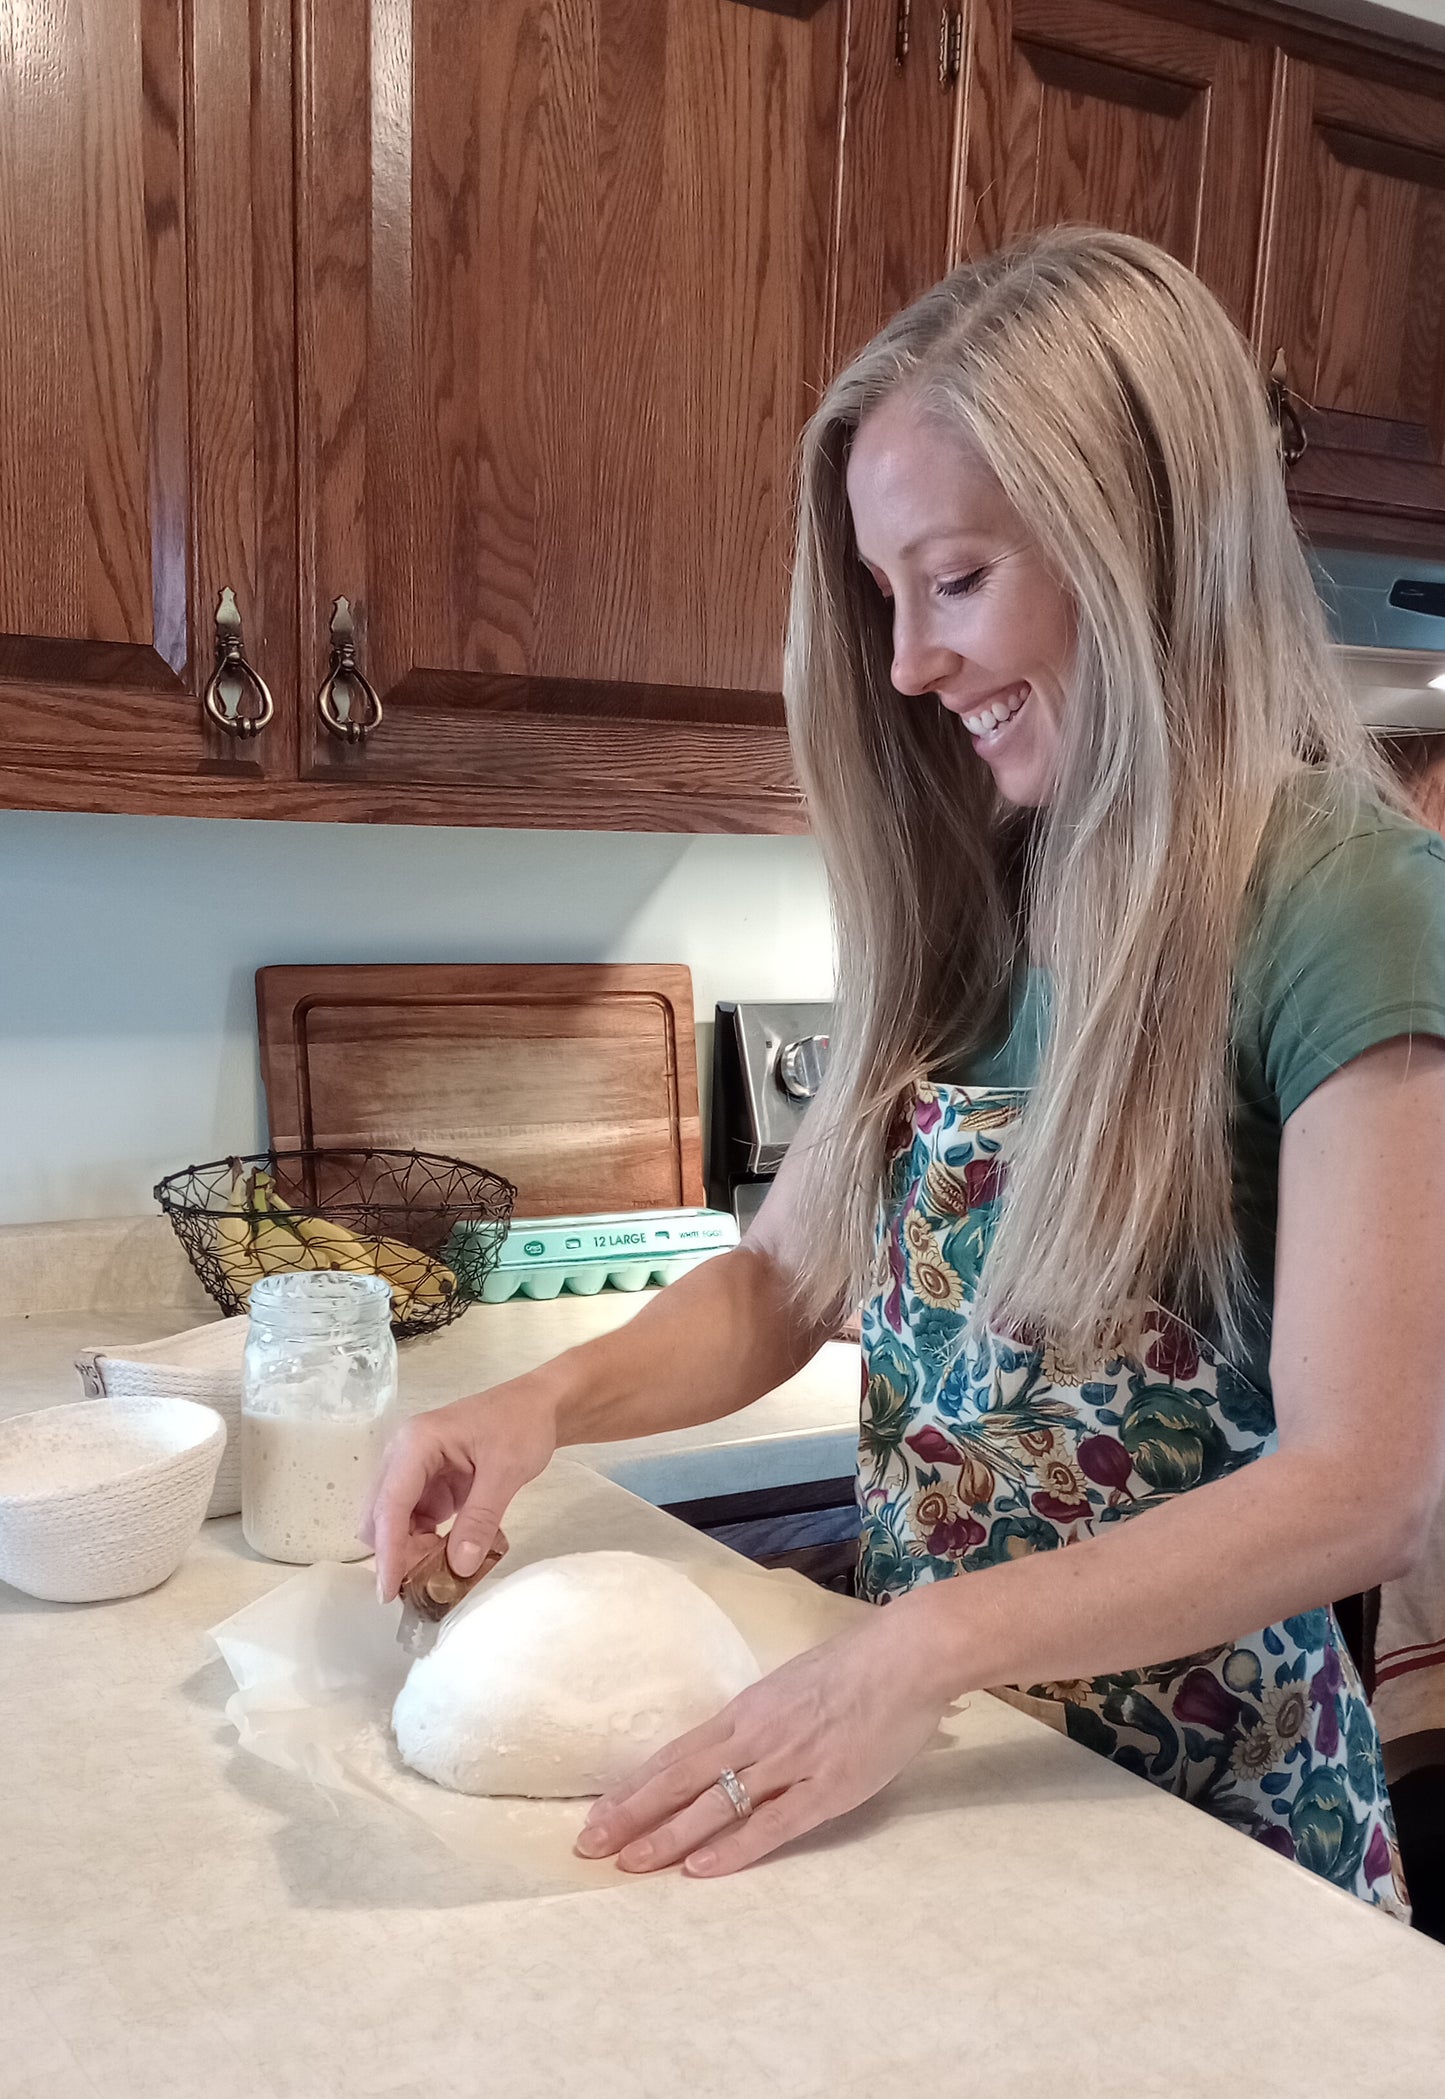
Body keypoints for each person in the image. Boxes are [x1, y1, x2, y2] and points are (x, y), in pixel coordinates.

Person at [363, 227, 1445, 1915]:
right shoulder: (978, 893)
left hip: (1205, 1841)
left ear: (1139, 544)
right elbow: (782, 1281)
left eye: (952, 580)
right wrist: (537, 1406)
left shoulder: (1339, 902)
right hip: (939, 1786)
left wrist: (923, 1644)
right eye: (886, 598)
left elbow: (1360, 1488)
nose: (907, 665)